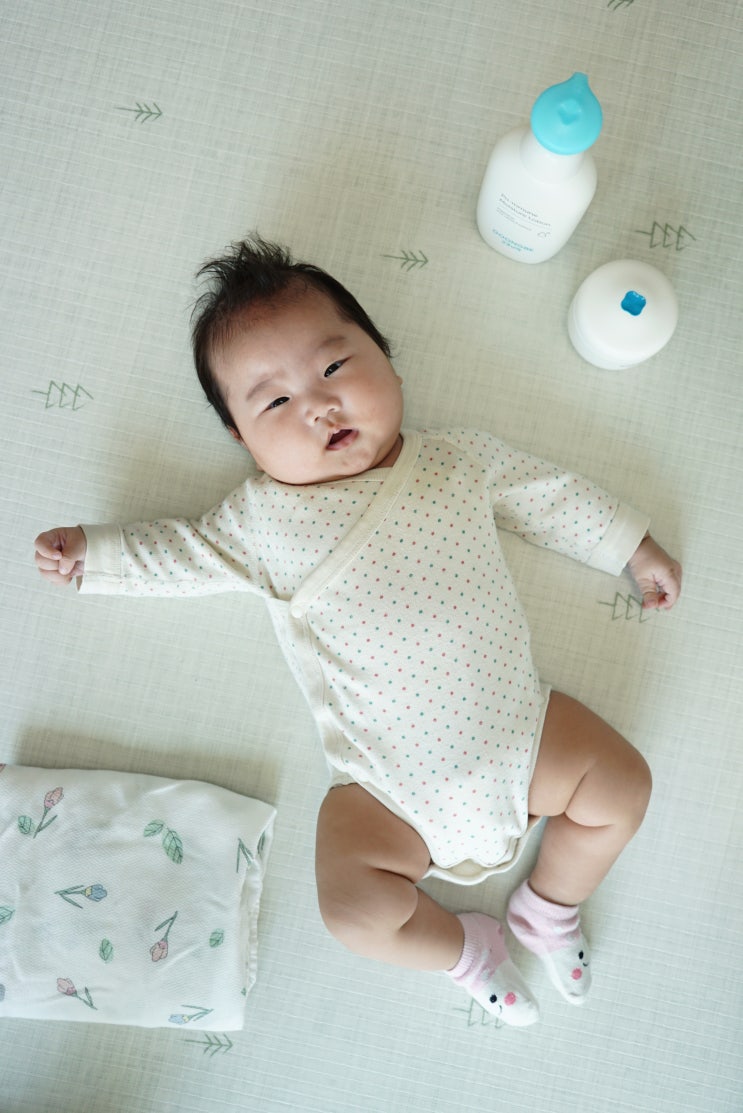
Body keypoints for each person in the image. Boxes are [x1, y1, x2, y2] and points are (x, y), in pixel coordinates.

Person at [34, 236, 682, 1026]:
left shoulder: (455, 462)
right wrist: (95, 555)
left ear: (388, 361)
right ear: (242, 438)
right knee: (352, 911)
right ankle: (463, 949)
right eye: (274, 403)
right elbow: (181, 553)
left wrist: (629, 545)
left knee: (621, 785)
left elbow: (547, 495)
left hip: (522, 736)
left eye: (336, 366)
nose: (318, 405)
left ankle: (549, 906)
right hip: (387, 794)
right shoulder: (262, 521)